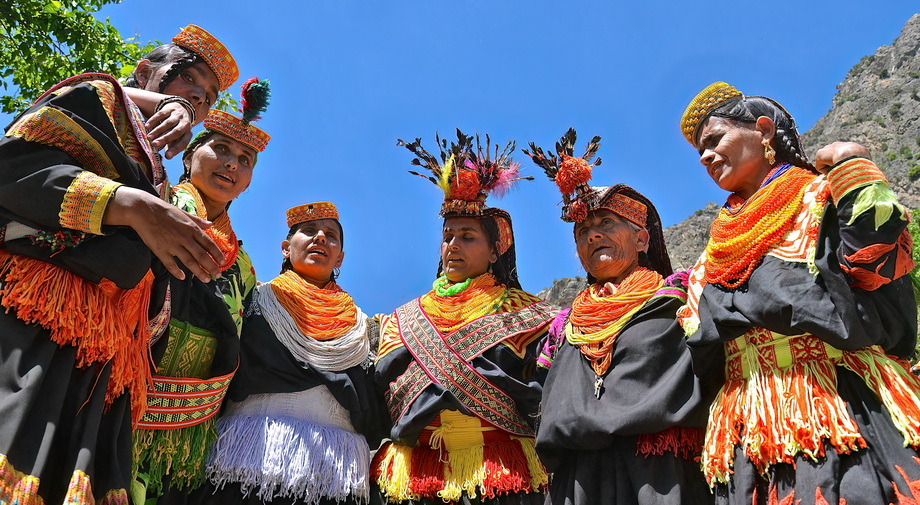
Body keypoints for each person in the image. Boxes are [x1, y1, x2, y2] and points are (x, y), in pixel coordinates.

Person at [0, 23, 238, 505]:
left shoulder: (163, 182)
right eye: (190, 80)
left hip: (106, 360)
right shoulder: (96, 96)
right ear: (147, 71)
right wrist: (130, 205)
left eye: (210, 97)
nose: (198, 100)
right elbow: (13, 170)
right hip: (33, 321)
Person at [677, 81, 920, 504]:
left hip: (841, 406)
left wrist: (851, 165)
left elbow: (876, 268)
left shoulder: (822, 196)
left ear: (765, 131)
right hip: (748, 431)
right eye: (700, 152)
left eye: (715, 140)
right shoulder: (712, 251)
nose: (705, 157)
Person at [525, 129, 711, 504]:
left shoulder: (680, 296)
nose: (592, 236)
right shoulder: (562, 327)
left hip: (659, 470)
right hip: (578, 479)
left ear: (642, 240)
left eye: (606, 224)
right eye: (582, 232)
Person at [372, 131, 557, 505]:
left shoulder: (531, 315)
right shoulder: (401, 319)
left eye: (467, 236)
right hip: (417, 475)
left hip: (501, 475)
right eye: (447, 236)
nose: (453, 245)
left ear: (495, 251)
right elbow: (381, 392)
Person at [132, 78, 271, 503]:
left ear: (248, 182)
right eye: (221, 150)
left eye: (244, 159)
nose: (231, 164)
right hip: (124, 392)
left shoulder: (246, 268)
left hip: (188, 426)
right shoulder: (154, 202)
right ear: (190, 155)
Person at [199, 201, 386, 505]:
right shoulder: (251, 298)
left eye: (331, 236)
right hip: (245, 461)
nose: (321, 238)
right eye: (309, 231)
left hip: (332, 477)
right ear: (286, 247)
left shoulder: (366, 328)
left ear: (340, 258)